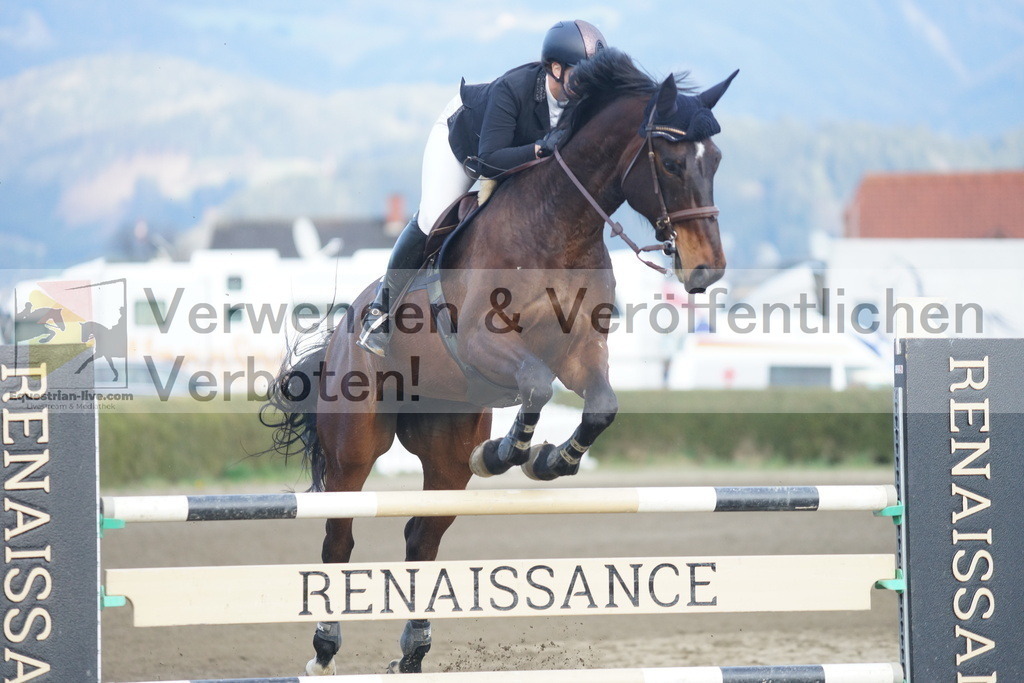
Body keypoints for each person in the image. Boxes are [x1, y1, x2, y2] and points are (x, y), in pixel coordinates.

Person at [357, 19, 607, 357]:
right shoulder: (513, 89)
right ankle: (381, 311)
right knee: (432, 219)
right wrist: (538, 150)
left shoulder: (583, 103)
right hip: (464, 146)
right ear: (556, 69)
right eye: (582, 75)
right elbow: (489, 160)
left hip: (516, 161)